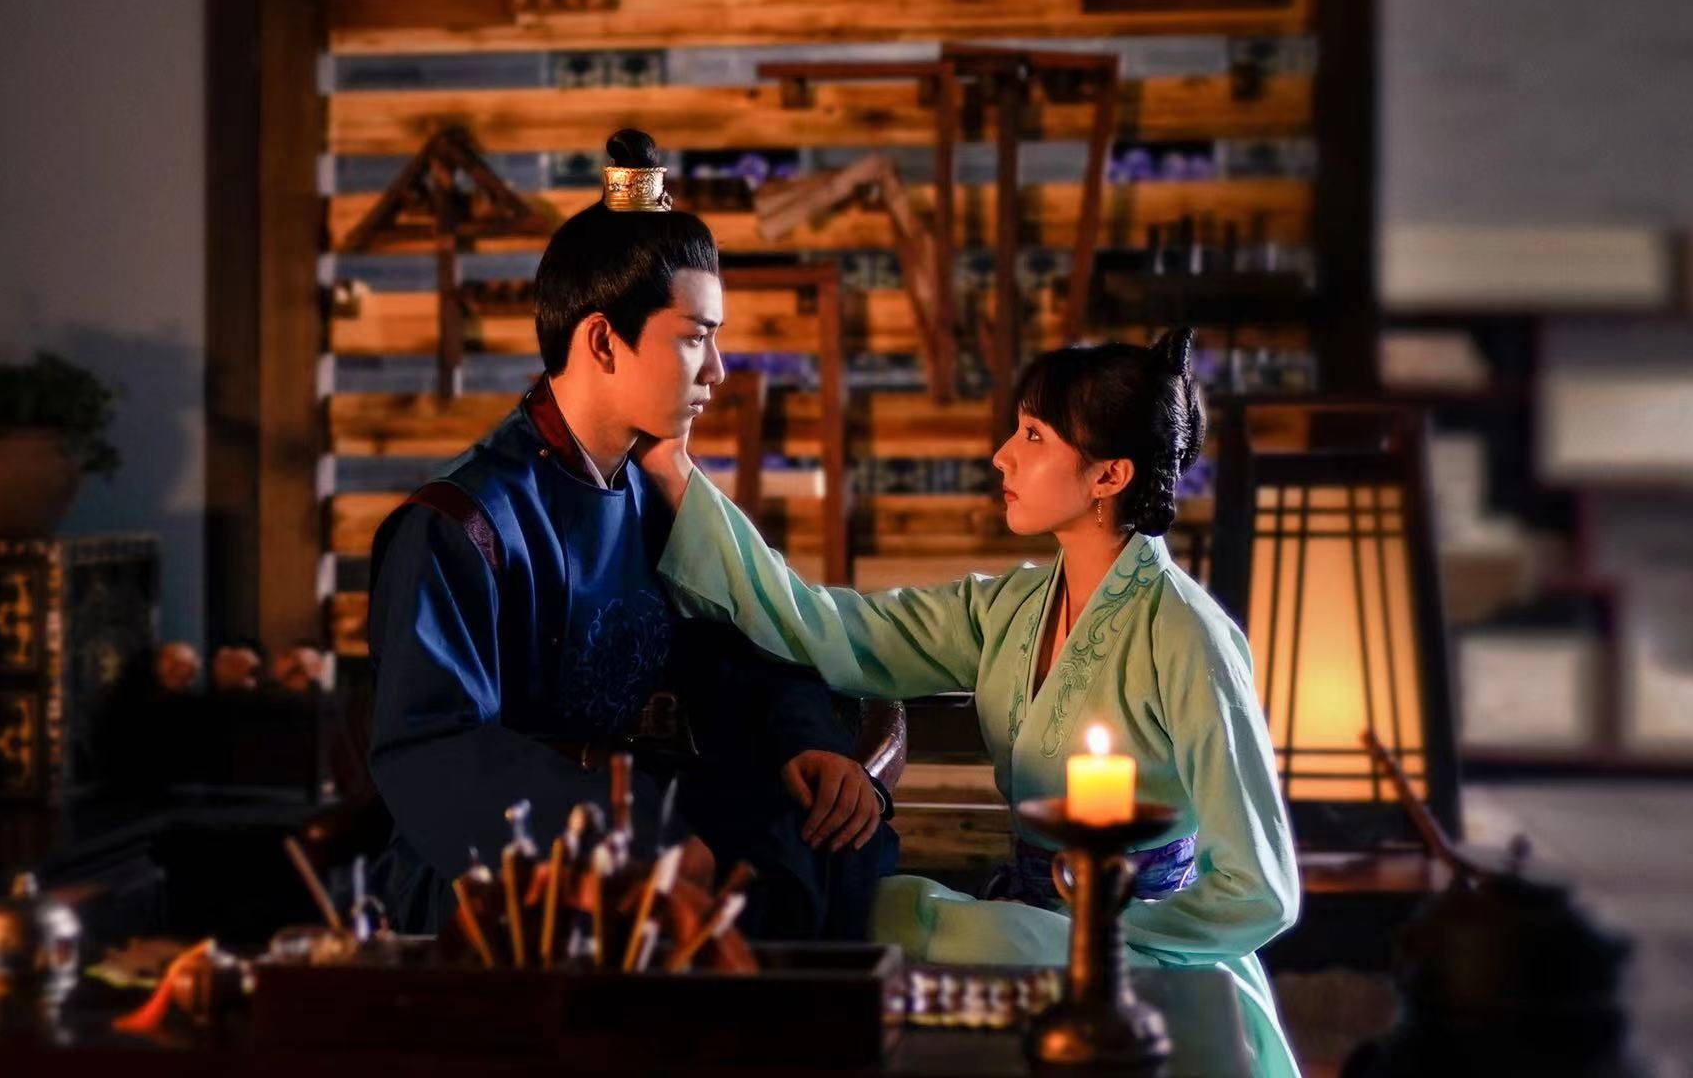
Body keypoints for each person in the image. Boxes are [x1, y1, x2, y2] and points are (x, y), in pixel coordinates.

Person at [636, 330, 1302, 1077]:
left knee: (921, 929)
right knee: (874, 911)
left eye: (1033, 436)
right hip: (1031, 924)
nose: (1002, 456)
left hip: (1148, 958)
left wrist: (1103, 934)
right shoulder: (1010, 609)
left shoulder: (1188, 636)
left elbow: (1261, 892)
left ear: (1109, 475)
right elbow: (826, 626)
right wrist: (674, 475)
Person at [366, 129, 897, 939]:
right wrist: (629, 840)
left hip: (656, 810)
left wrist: (809, 742)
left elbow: (741, 652)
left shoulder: (649, 493)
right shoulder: (459, 524)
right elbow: (434, 747)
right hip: (520, 867)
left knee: (825, 838)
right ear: (603, 341)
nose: (718, 370)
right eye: (695, 337)